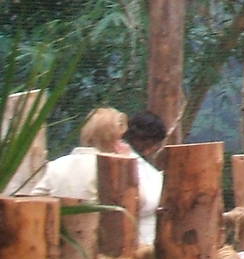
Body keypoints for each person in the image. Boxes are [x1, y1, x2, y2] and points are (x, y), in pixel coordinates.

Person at [32, 106, 162, 248]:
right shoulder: (113, 169)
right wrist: (128, 161)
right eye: (120, 138)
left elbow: (35, 200)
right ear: (113, 138)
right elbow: (142, 202)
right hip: (103, 249)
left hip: (61, 244)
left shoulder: (56, 165)